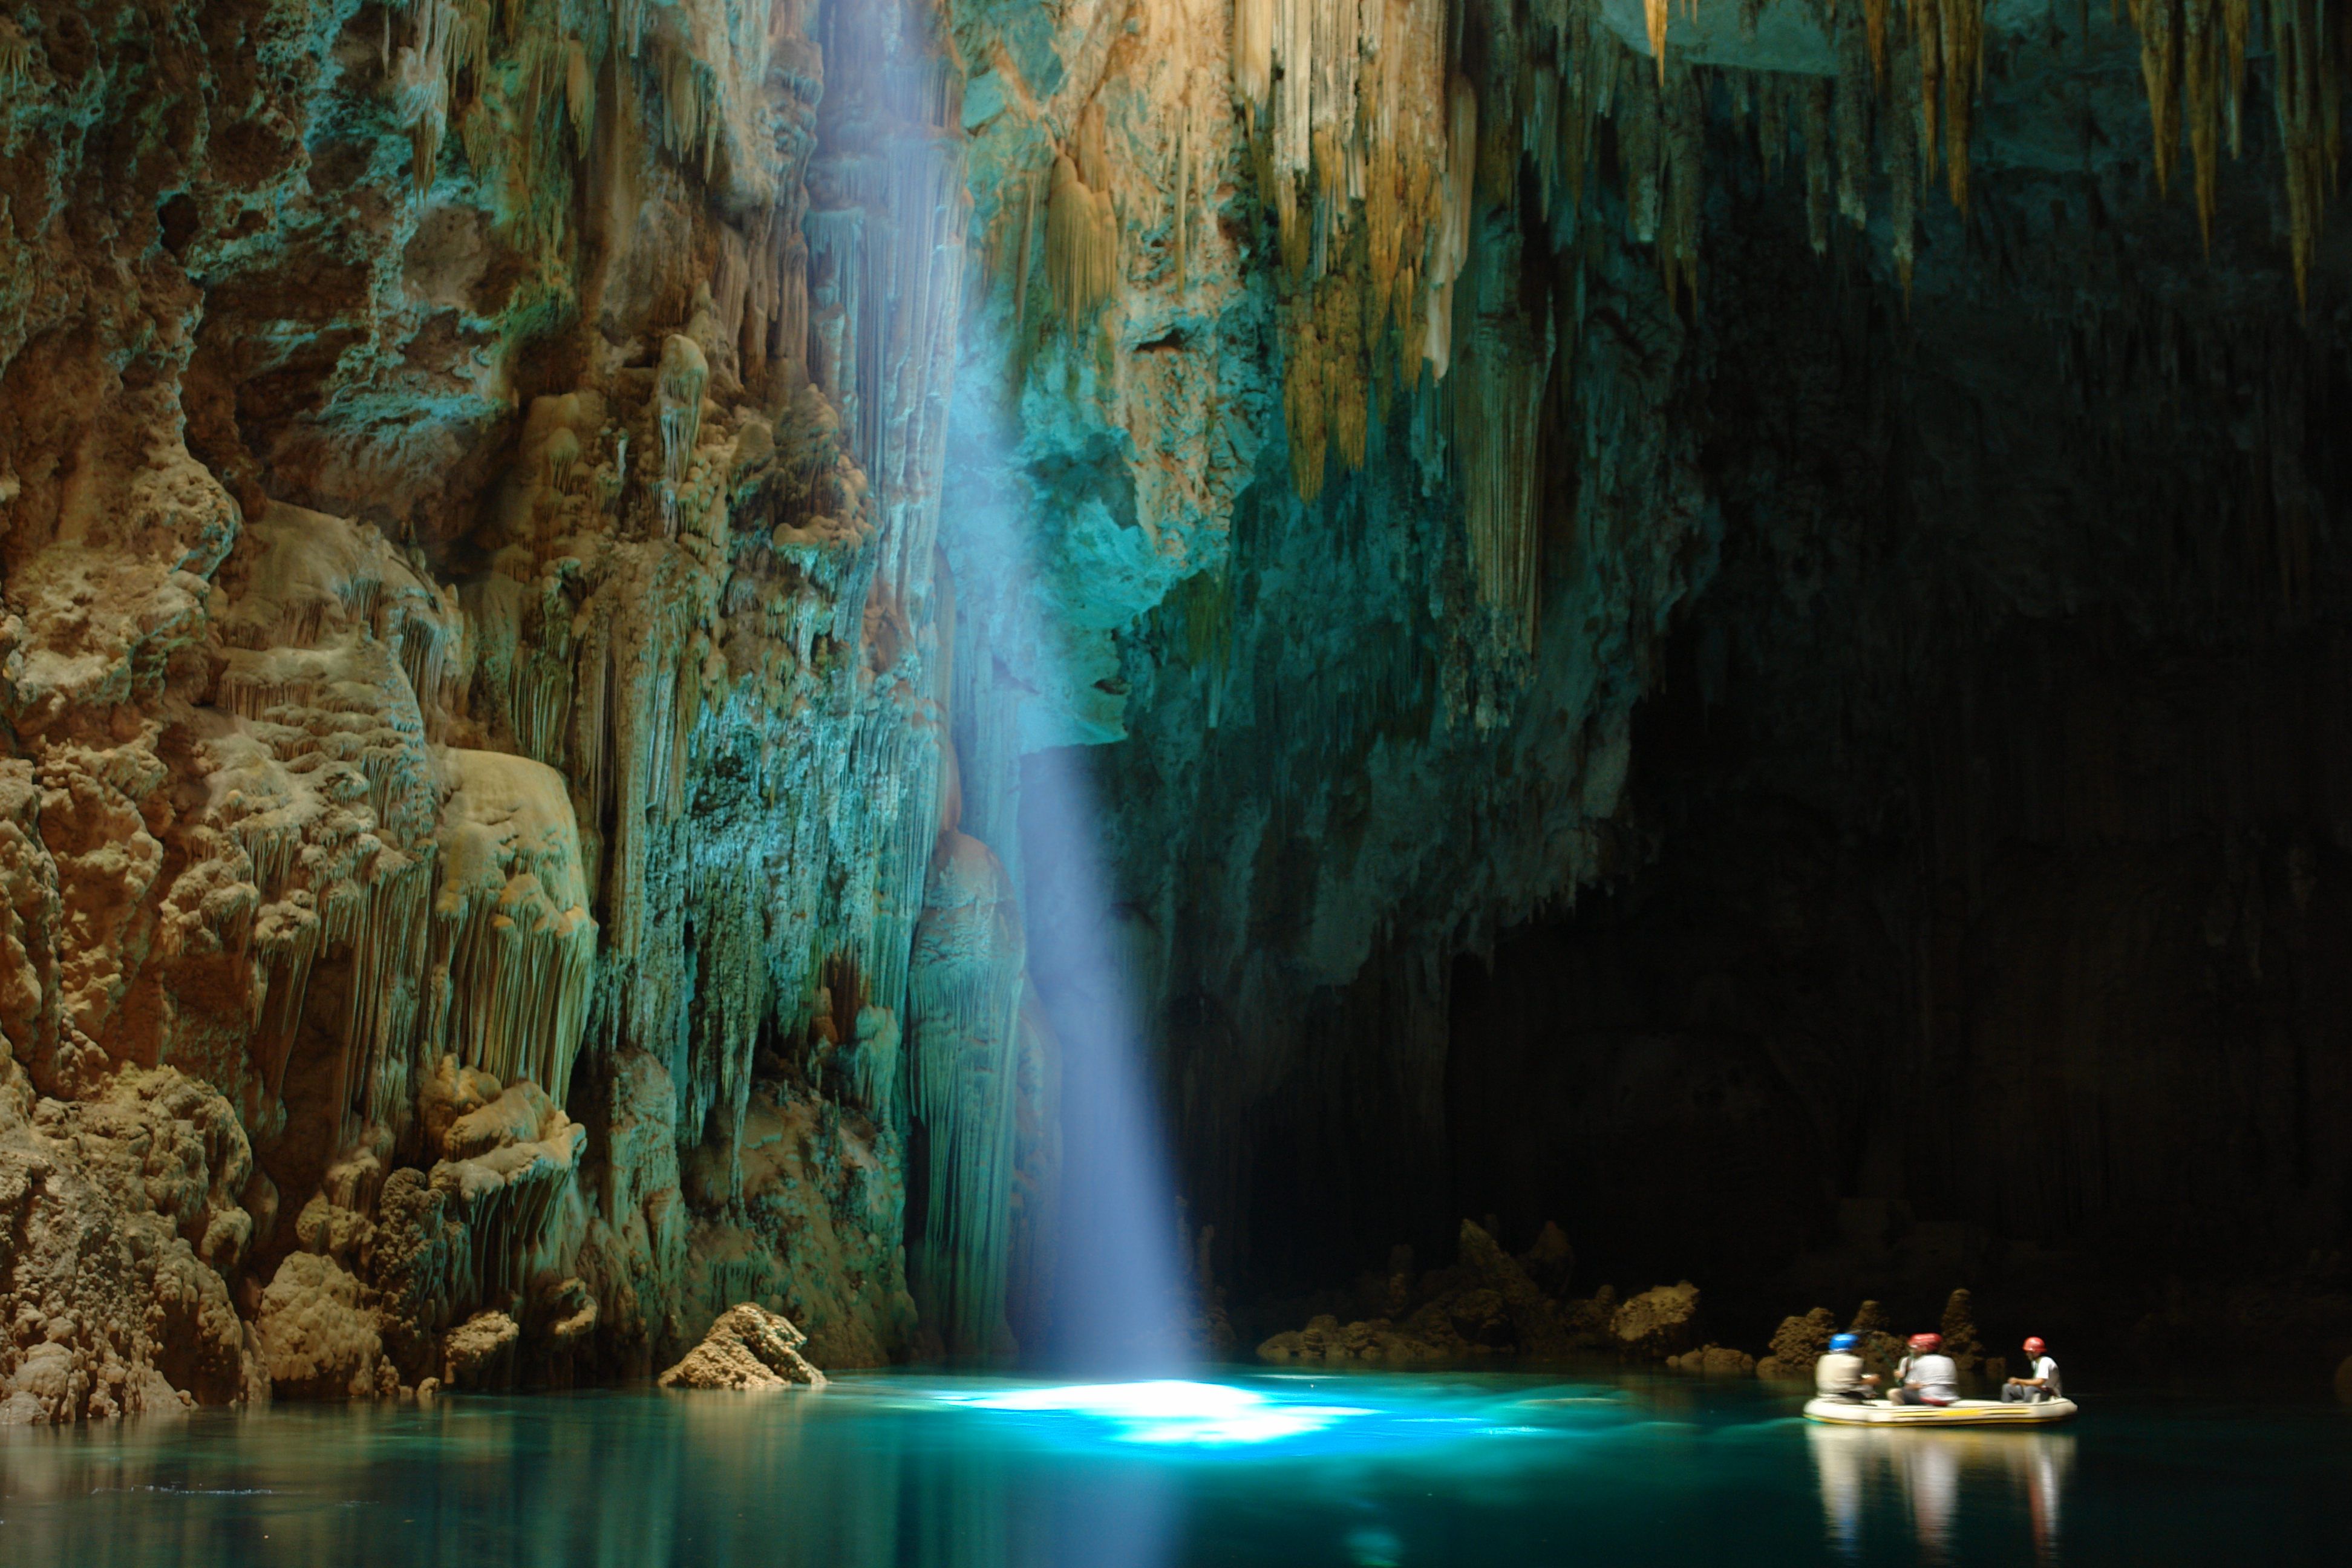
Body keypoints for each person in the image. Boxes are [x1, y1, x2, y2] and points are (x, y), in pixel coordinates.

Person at [1889, 1331, 1959, 1406]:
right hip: (1950, 1398)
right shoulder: (1949, 1360)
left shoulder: (1920, 1362)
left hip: (1929, 1399)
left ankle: (1900, 1413)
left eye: (1919, 1347)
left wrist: (1903, 1381)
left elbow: (1910, 1387)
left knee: (1893, 1393)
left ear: (1925, 1349)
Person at [1814, 1331, 1880, 1403]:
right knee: (1870, 1384)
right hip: (1846, 1397)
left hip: (1825, 1394)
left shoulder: (1824, 1359)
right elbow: (1858, 1382)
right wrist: (1874, 1379)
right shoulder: (1856, 1361)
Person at [2002, 1336, 2062, 1403]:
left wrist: (2019, 1381)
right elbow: (2035, 1381)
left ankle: (2026, 1409)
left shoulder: (2045, 1362)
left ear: (2037, 1352)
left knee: (2030, 1389)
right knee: (2007, 1387)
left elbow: (2040, 1382)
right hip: (2038, 1390)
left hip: (2050, 1393)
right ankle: (2006, 1408)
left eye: (2029, 1352)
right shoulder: (2035, 1363)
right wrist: (2023, 1383)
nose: (2027, 1354)